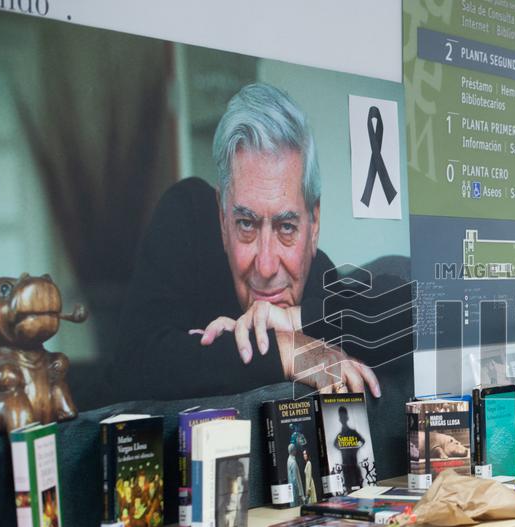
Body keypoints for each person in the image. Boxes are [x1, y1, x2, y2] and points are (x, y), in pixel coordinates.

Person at [113, 82, 381, 400]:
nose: (266, 266)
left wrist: (221, 354)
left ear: (314, 222)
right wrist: (287, 349)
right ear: (222, 220)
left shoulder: (318, 275)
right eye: (246, 224)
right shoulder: (188, 215)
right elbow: (134, 364)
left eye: (286, 227)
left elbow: (416, 312)